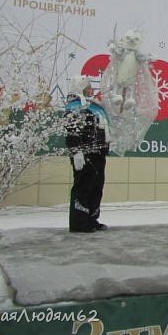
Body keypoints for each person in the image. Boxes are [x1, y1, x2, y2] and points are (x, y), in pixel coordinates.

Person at [65, 75, 111, 233]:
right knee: (83, 187)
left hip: (98, 153)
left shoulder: (94, 106)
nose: (92, 90)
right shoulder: (75, 107)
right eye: (88, 87)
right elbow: (72, 131)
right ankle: (79, 222)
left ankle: (92, 219)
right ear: (81, 89)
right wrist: (76, 151)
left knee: (96, 186)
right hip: (84, 154)